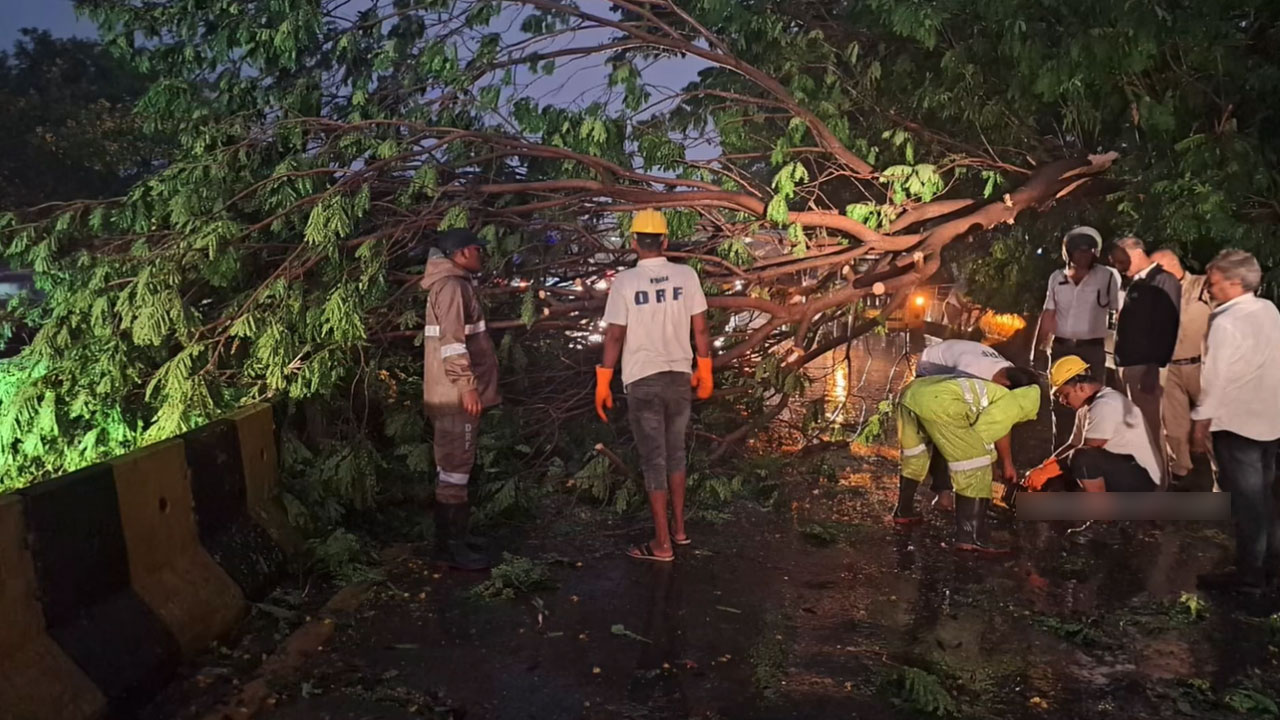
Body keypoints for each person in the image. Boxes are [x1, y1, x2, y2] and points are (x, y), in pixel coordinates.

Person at [595, 209, 714, 563]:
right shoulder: (686, 275)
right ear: (665, 241)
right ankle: (679, 530)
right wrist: (704, 369)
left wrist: (604, 379)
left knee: (654, 460)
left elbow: (615, 335)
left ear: (634, 243)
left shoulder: (626, 282)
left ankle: (662, 545)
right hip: (679, 377)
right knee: (676, 454)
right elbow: (702, 329)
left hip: (642, 380)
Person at [1191, 250, 1280, 593]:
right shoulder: (1269, 310)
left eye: (1214, 282)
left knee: (1246, 503)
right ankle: (1270, 566)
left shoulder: (1225, 322)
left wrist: (1201, 421)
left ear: (1235, 282)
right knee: (1266, 497)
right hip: (1269, 421)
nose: (1210, 288)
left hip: (1238, 423)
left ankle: (1249, 576)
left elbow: (1215, 376)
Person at [422, 228, 502, 571]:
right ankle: (451, 548)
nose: (481, 254)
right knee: (455, 469)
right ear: (462, 253)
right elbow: (452, 343)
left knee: (453, 466)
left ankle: (454, 540)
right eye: (477, 249)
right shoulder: (453, 287)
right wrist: (468, 386)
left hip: (451, 393)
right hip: (456, 396)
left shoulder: (454, 284)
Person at [892, 373, 1042, 554]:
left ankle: (904, 511)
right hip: (939, 402)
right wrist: (991, 468)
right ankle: (970, 538)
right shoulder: (1014, 401)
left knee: (915, 455)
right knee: (975, 466)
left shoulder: (990, 391)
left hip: (911, 393)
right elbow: (981, 435)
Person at [913, 339, 1040, 511]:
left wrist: (1007, 463)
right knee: (949, 433)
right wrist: (989, 465)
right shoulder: (970, 374)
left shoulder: (1009, 372)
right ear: (1005, 386)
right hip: (931, 371)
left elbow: (1001, 420)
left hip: (960, 358)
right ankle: (943, 493)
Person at [1035, 226, 1121, 448]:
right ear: (1068, 252)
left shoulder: (1107, 277)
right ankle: (1059, 455)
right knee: (1061, 403)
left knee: (1092, 402)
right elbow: (1048, 313)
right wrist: (1038, 348)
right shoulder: (1056, 278)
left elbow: (1119, 310)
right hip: (1062, 348)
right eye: (1079, 250)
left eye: (1088, 250)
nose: (1084, 255)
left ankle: (1088, 454)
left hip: (1091, 349)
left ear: (1095, 252)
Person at [1109, 236, 1181, 485]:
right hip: (1129, 366)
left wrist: (1153, 367)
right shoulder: (1135, 283)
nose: (1119, 266)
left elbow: (1167, 327)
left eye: (1121, 259)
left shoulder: (1163, 281)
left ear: (1137, 252)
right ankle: (1145, 485)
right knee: (1136, 431)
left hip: (1145, 368)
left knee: (1150, 432)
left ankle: (1159, 492)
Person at [1035, 356, 1160, 493]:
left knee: (1082, 459)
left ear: (1080, 387)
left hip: (1142, 479)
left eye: (1065, 395)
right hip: (1120, 469)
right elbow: (1072, 446)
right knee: (1067, 470)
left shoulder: (1106, 404)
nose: (1062, 401)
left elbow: (1087, 452)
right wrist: (1043, 467)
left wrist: (1046, 472)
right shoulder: (1085, 409)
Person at [1150, 249, 1215, 490]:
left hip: (1201, 365)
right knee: (1173, 423)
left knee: (1211, 424)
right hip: (1169, 367)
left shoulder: (1202, 286)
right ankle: (1181, 468)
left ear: (1169, 266)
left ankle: (1222, 476)